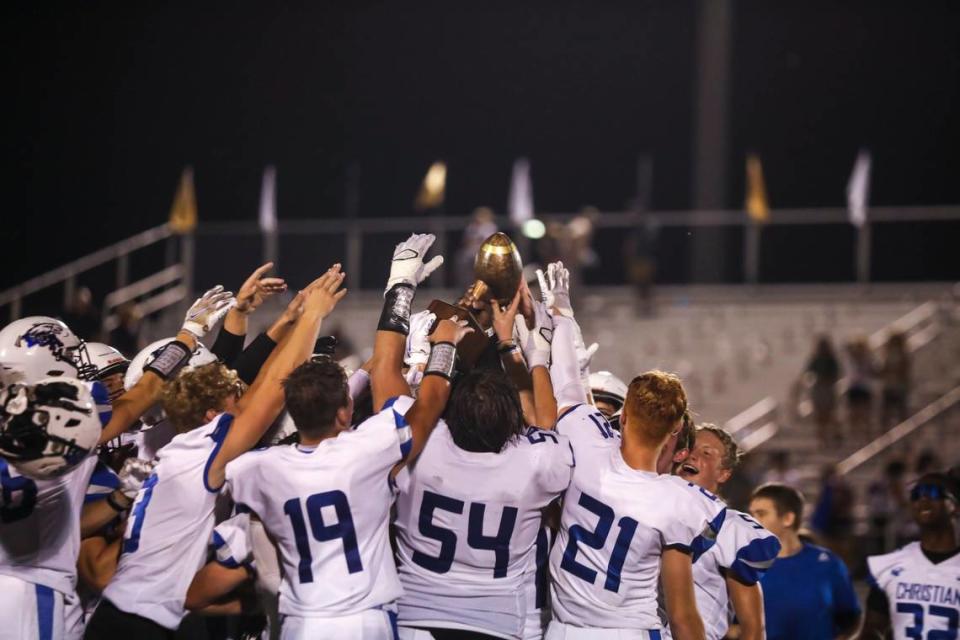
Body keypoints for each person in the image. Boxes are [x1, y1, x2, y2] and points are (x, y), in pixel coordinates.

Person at [224, 234, 469, 638]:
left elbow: (259, 402)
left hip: (300, 624)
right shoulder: (367, 449)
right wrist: (427, 327)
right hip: (365, 621)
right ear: (345, 411)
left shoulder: (256, 467)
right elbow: (423, 401)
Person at [85, 267, 346, 639]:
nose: (241, 391)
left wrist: (290, 320)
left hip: (129, 613)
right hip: (140, 623)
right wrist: (312, 317)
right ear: (210, 413)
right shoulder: (201, 451)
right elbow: (270, 392)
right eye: (230, 390)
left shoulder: (179, 444)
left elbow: (259, 387)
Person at [545, 263, 725, 639]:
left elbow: (566, 387)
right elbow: (682, 614)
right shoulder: (678, 499)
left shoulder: (588, 444)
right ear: (676, 428)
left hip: (565, 631)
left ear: (623, 415)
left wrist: (563, 315)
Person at [393, 291, 573, 639]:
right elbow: (543, 422)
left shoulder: (423, 446)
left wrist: (434, 347)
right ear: (509, 419)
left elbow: (405, 388)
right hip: (497, 624)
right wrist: (517, 349)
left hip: (416, 619)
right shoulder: (532, 462)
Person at [674, 425, 780, 640]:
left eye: (706, 453)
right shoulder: (648, 508)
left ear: (723, 474)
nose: (693, 455)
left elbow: (753, 631)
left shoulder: (730, 529)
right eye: (690, 447)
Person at [749, 484, 862, 640]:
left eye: (761, 514)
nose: (752, 521)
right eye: (751, 514)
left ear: (788, 518)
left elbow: (850, 616)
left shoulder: (828, 564)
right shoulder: (744, 566)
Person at [861, 473, 960, 640]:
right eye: (916, 494)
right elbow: (872, 630)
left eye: (932, 492)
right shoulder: (889, 565)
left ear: (956, 506)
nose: (922, 499)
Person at [805, 334, 841, 444]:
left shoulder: (832, 359)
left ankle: (832, 436)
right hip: (819, 389)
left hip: (828, 389)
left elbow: (836, 374)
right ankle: (822, 439)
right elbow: (808, 373)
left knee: (829, 415)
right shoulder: (815, 359)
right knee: (819, 416)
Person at [878, 332, 910, 428]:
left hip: (899, 387)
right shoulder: (886, 355)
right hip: (888, 387)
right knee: (885, 415)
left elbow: (904, 372)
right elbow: (883, 371)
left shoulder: (904, 355)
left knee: (901, 414)